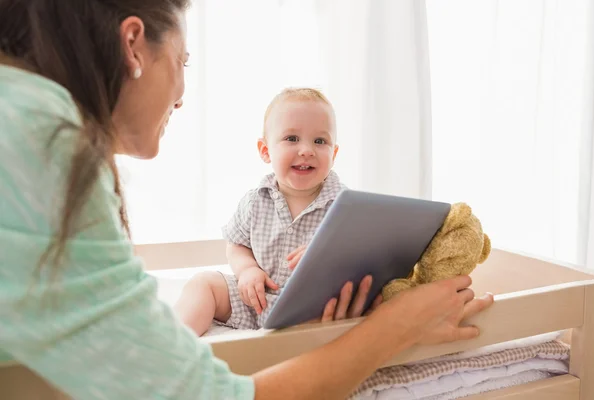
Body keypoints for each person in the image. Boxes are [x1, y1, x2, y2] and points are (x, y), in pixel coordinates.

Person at [0, 1, 494, 399]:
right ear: (133, 45)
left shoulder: (22, 110)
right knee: (206, 284)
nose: (181, 95)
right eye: (183, 61)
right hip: (252, 294)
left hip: (290, 305)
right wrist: (397, 328)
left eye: (321, 142)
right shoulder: (42, 138)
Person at [174, 87, 380, 336]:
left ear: (334, 154)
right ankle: (174, 344)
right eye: (292, 139)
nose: (306, 150)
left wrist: (327, 258)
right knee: (203, 283)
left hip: (312, 311)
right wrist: (248, 270)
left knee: (359, 310)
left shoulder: (345, 207)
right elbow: (237, 245)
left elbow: (361, 262)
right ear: (265, 150)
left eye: (320, 141)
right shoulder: (255, 201)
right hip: (256, 301)